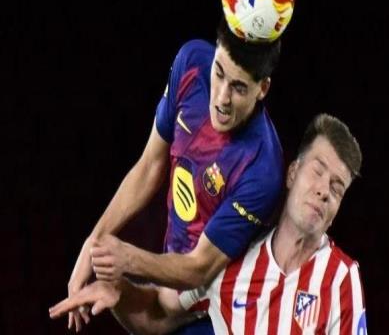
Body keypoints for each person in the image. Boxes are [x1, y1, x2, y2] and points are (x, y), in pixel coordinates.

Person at [51, 114, 368, 334]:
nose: (324, 191)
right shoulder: (233, 260)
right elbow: (158, 315)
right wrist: (119, 291)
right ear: (292, 173)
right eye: (317, 171)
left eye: (337, 187)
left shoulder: (341, 279)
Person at [66, 18, 284, 334]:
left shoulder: (262, 168)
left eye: (238, 88)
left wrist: (127, 259)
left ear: (262, 89)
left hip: (220, 315)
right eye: (219, 73)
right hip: (172, 284)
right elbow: (149, 167)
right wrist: (94, 241)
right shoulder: (191, 64)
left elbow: (199, 268)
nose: (221, 99)